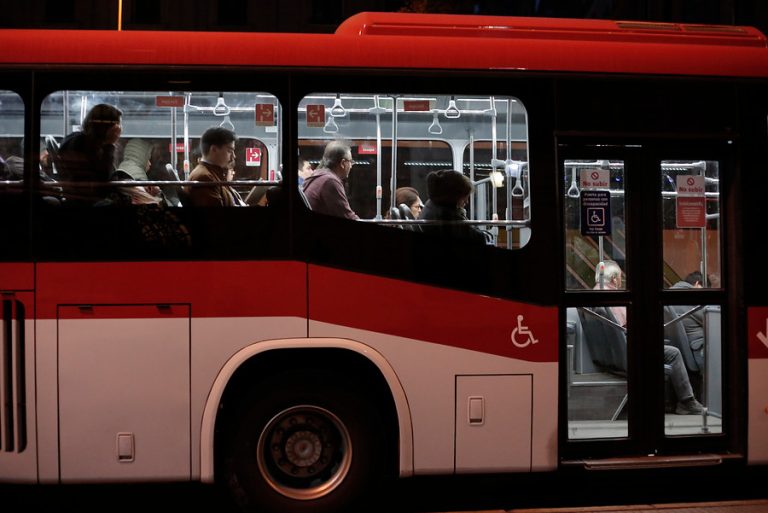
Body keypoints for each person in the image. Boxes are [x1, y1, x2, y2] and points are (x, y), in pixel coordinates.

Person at [594, 260, 705, 415]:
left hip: (612, 353)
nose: (621, 281)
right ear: (613, 279)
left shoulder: (596, 293)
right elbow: (627, 325)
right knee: (673, 353)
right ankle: (687, 401)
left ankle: (677, 402)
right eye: (620, 277)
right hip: (626, 351)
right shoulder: (612, 297)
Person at [56, 103, 123, 204]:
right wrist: (109, 145)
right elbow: (102, 183)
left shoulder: (84, 141)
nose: (119, 130)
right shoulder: (80, 144)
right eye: (117, 126)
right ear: (106, 127)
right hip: (89, 202)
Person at [419, 169, 488, 245]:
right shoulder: (447, 217)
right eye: (464, 197)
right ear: (454, 196)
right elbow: (479, 238)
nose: (466, 202)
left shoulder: (431, 206)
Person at [184, 127, 245, 207]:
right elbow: (215, 217)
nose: (234, 156)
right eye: (229, 151)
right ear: (214, 149)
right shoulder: (205, 178)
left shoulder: (213, 174)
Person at [302, 141, 359, 220]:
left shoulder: (318, 175)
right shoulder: (330, 181)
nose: (351, 166)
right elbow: (348, 216)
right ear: (342, 163)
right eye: (350, 161)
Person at [670, 271, 705, 369]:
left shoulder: (671, 294)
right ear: (697, 284)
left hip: (685, 349)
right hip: (700, 348)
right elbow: (712, 319)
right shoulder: (691, 296)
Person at [112, 138, 163, 205]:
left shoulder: (124, 167)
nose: (150, 164)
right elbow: (145, 201)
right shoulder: (138, 174)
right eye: (147, 159)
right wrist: (155, 193)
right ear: (141, 157)